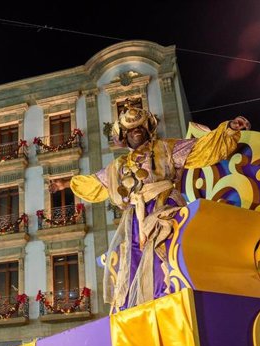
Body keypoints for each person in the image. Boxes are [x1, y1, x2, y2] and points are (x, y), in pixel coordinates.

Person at [71, 102, 250, 310]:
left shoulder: (166, 147)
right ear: (124, 136)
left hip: (164, 206)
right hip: (135, 220)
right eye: (131, 129)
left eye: (140, 128)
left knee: (164, 252)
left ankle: (168, 298)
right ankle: (136, 307)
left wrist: (228, 130)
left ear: (147, 130)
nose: (136, 132)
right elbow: (96, 183)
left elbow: (199, 149)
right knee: (132, 259)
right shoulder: (118, 166)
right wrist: (66, 183)